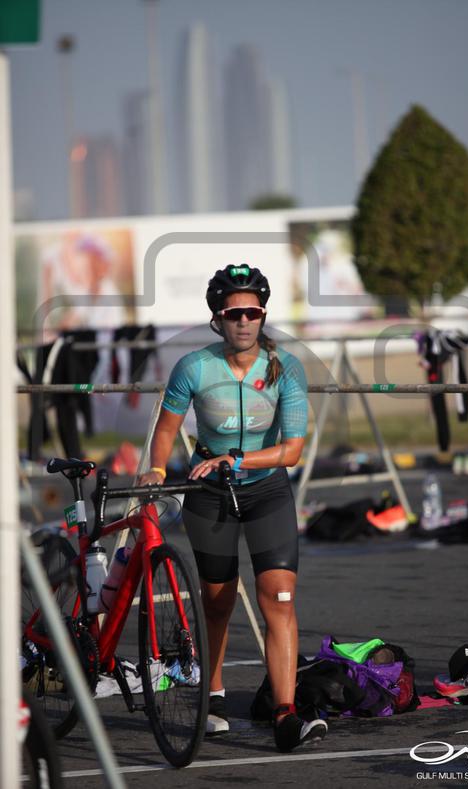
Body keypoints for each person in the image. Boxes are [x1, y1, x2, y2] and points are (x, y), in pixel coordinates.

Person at [139, 264, 328, 752]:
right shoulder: (194, 367)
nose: (244, 321)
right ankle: (214, 695)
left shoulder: (286, 368)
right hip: (210, 493)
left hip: (266, 491)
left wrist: (237, 459)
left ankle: (285, 713)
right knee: (218, 601)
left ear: (263, 315)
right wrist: (155, 470)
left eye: (253, 312)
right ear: (217, 319)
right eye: (233, 313)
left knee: (279, 598)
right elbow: (166, 429)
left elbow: (292, 451)